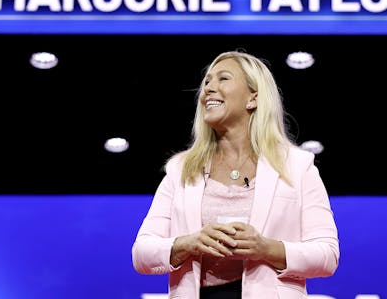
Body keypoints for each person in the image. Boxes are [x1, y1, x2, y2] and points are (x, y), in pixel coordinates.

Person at [132, 50, 340, 299]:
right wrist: (187, 243)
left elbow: (327, 255)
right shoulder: (181, 169)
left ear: (253, 98)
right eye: (207, 82)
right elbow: (141, 253)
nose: (208, 88)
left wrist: (265, 248)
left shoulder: (298, 166)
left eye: (223, 79)